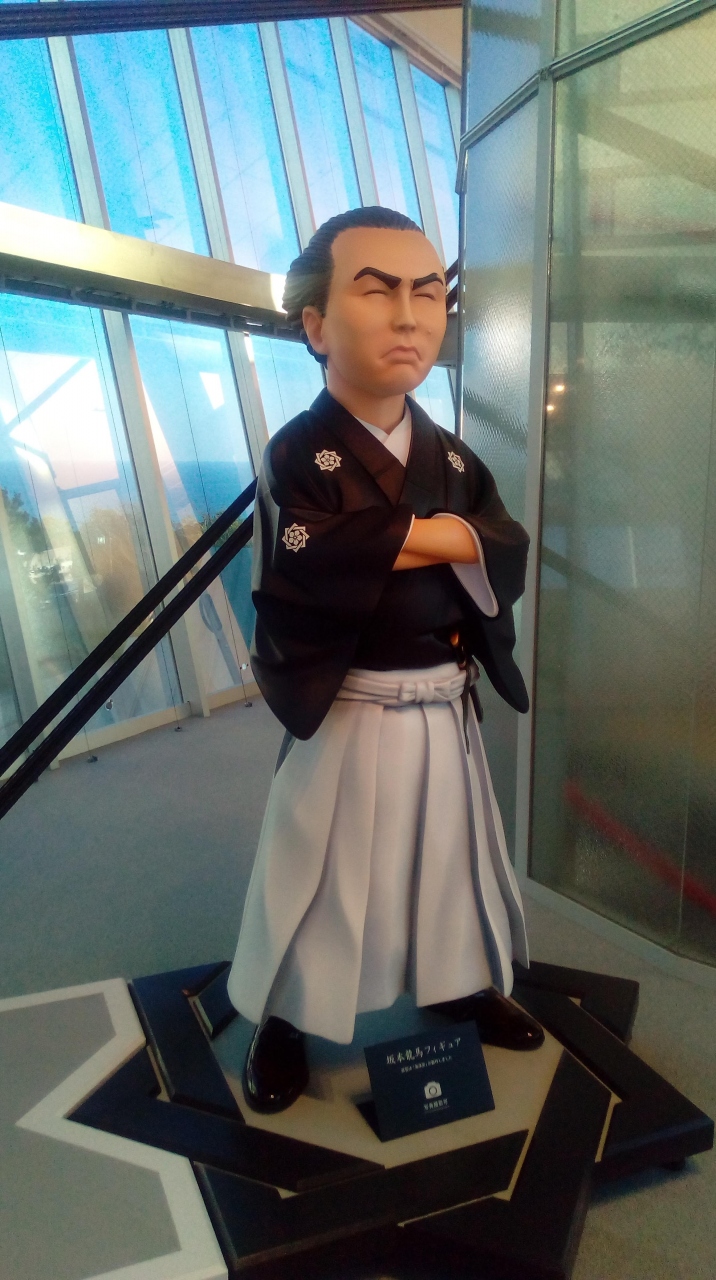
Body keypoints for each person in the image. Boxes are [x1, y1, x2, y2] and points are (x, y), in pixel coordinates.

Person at [227, 206, 543, 1114]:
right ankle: (285, 1017)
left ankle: (456, 981)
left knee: (449, 859)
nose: (409, 316)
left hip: (443, 700)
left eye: (428, 293)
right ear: (316, 324)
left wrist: (411, 536)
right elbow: (309, 551)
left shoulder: (453, 456)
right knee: (318, 869)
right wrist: (448, 537)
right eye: (376, 291)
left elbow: (505, 545)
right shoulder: (300, 451)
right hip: (351, 702)